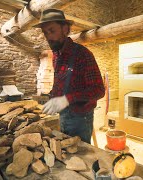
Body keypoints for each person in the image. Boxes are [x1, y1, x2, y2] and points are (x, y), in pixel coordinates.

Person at [37, 9, 105, 144]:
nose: (48, 37)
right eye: (45, 33)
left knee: (81, 158)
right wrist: (50, 96)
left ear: (65, 29)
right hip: (64, 116)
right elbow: (62, 84)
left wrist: (67, 99)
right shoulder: (56, 55)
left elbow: (98, 90)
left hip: (80, 119)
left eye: (52, 31)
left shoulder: (83, 55)